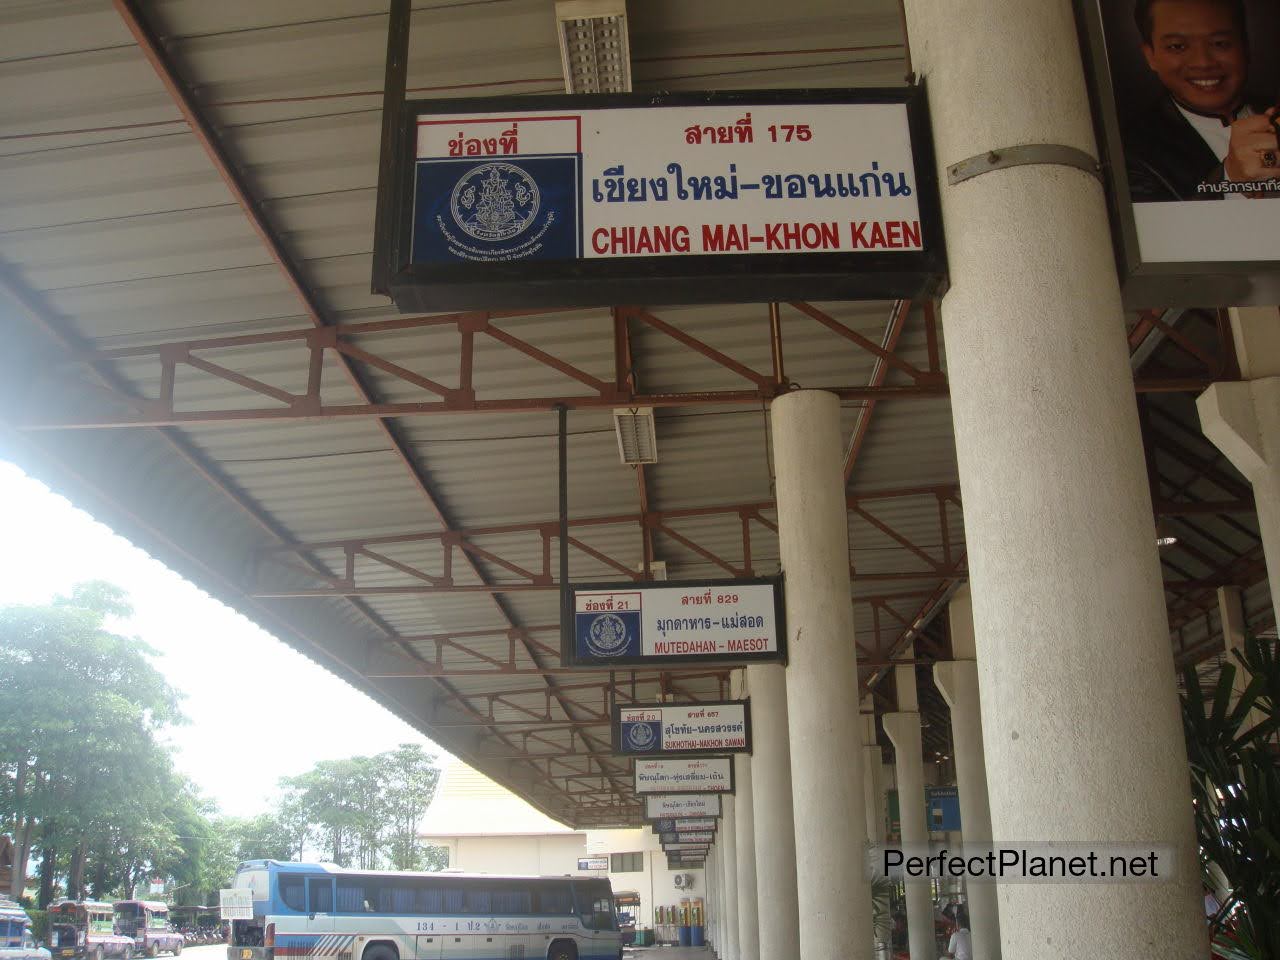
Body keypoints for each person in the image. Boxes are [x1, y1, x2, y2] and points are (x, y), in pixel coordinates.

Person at [1122, 0, 1279, 201]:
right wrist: (1230, 181)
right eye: (1177, 46)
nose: (1203, 62)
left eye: (1220, 43)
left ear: (1245, 45)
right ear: (1150, 55)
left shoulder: (1272, 109)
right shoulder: (1129, 151)